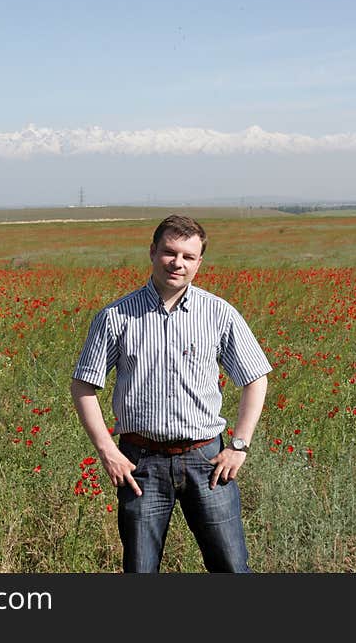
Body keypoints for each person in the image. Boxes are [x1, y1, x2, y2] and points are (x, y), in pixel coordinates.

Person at [70, 214, 272, 573]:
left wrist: (238, 446)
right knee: (141, 568)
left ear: (199, 263)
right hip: (140, 464)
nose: (177, 263)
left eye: (188, 256)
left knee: (231, 567)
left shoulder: (218, 313)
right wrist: (108, 452)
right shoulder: (117, 317)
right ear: (152, 252)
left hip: (208, 461)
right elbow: (83, 385)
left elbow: (255, 378)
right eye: (169, 252)